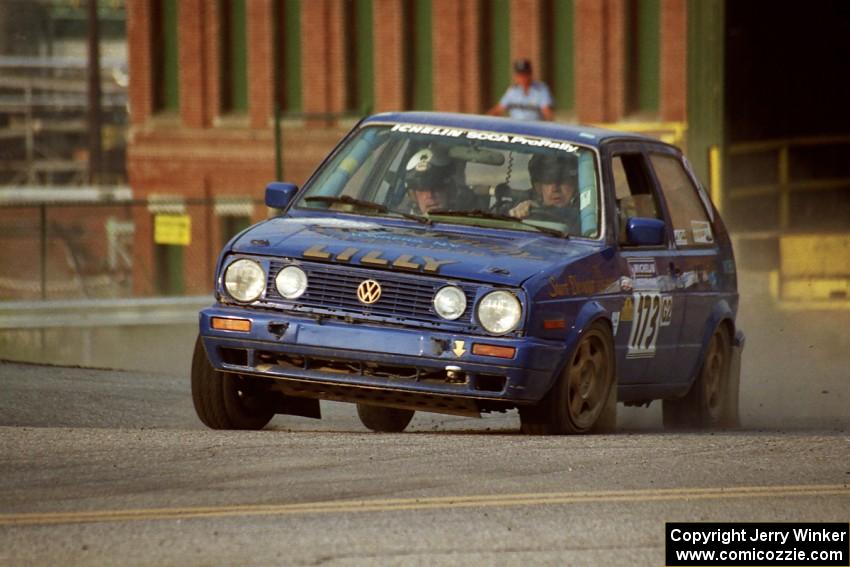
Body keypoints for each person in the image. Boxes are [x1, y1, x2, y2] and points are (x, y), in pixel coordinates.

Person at [509, 153, 580, 230]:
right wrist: (517, 214)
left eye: (563, 180)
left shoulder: (587, 214)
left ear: (575, 184)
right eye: (548, 181)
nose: (555, 189)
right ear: (538, 187)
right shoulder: (522, 205)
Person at [487, 58, 554, 121]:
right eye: (520, 75)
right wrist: (486, 119)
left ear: (530, 74)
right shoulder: (512, 91)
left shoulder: (541, 89)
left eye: (525, 74)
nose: (522, 78)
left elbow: (546, 111)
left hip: (535, 128)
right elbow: (499, 108)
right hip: (515, 128)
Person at [404, 148, 454, 213]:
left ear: (449, 190)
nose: (430, 195)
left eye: (436, 187)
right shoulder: (399, 219)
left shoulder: (467, 219)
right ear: (414, 196)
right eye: (422, 189)